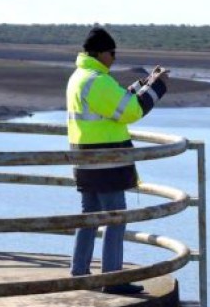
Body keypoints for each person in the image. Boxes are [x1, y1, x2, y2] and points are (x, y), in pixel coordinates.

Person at [65, 25, 169, 291]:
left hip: (84, 159)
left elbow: (116, 101)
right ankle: (112, 279)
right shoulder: (97, 81)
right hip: (107, 160)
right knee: (115, 219)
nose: (115, 58)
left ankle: (79, 273)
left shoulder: (80, 76)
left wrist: (144, 83)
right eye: (113, 52)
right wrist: (158, 88)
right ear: (101, 53)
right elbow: (130, 110)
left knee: (88, 217)